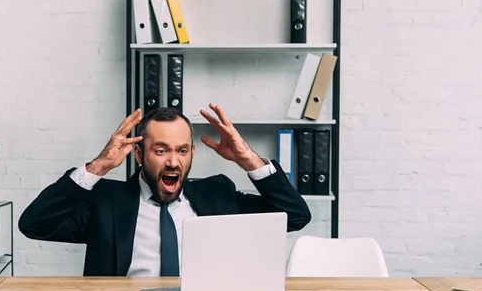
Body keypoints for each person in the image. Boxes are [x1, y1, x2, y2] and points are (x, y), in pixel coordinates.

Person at [19, 103, 311, 276]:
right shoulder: (106, 202)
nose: (173, 161)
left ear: (192, 154)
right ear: (139, 155)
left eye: (182, 150)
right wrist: (99, 166)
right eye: (160, 150)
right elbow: (34, 224)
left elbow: (296, 216)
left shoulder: (218, 195)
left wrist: (248, 158)